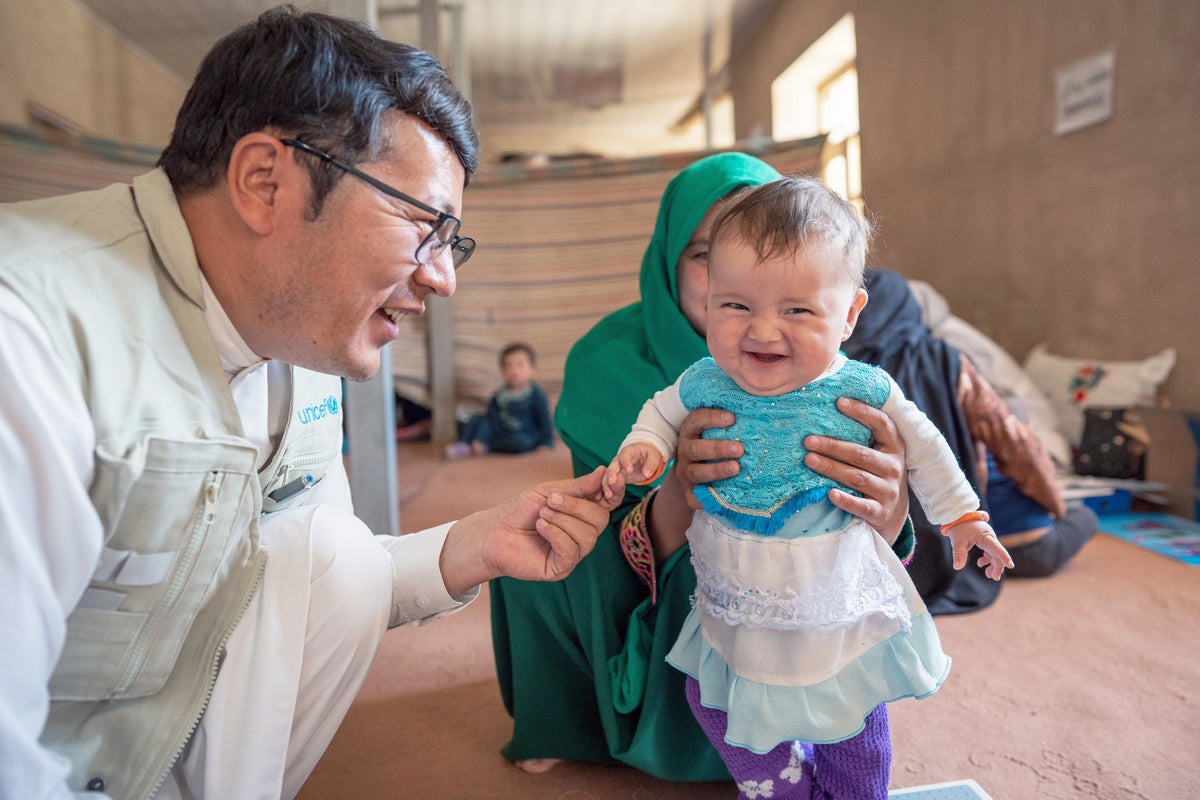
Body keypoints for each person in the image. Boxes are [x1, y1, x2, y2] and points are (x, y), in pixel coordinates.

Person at [0, 8, 618, 800]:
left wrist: (479, 543)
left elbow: (302, 578)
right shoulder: (30, 336)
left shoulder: (297, 344)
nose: (444, 277)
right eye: (424, 226)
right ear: (265, 181)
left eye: (451, 241)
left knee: (338, 554)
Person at [491, 153, 917, 783]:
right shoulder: (608, 363)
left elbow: (867, 535)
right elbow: (607, 535)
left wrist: (890, 507)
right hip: (653, 583)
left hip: (799, 592)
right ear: (670, 259)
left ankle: (797, 745)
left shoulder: (824, 370)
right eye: (706, 253)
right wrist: (681, 488)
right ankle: (576, 720)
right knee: (530, 545)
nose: (756, 299)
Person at [602, 177, 1011, 800]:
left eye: (796, 310)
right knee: (712, 700)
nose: (763, 333)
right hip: (736, 597)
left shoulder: (866, 389)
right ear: (708, 298)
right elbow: (660, 412)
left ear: (849, 314)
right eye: (736, 306)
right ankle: (782, 787)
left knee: (851, 715)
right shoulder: (704, 378)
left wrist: (962, 517)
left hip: (832, 601)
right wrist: (647, 447)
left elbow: (927, 449)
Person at [843, 268, 1098, 590]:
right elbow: (1012, 442)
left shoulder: (830, 372)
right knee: (1085, 518)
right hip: (957, 540)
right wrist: (1054, 502)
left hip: (869, 547)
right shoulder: (945, 361)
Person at [444, 341, 555, 459]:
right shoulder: (499, 395)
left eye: (520, 365)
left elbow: (545, 421)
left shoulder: (536, 395)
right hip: (499, 431)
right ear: (502, 371)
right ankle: (464, 444)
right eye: (508, 366)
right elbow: (490, 418)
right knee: (477, 418)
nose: (514, 371)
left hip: (523, 434)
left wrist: (546, 443)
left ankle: (487, 446)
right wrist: (483, 434)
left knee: (520, 443)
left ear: (532, 369)